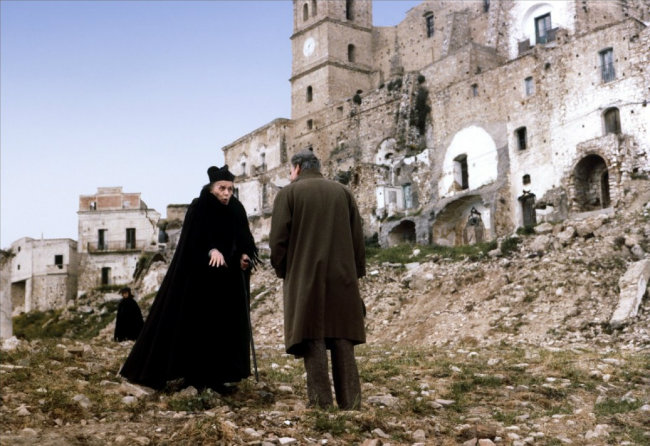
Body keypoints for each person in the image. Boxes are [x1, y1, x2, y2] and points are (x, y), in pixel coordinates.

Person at [120, 165, 259, 392]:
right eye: (222, 188)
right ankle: (197, 378)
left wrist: (245, 254)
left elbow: (244, 236)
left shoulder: (236, 208)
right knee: (200, 329)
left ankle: (221, 377)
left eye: (230, 189)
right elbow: (192, 240)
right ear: (212, 187)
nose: (226, 193)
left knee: (225, 329)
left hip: (229, 282)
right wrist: (211, 249)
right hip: (201, 282)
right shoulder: (199, 207)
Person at [269, 149, 366, 410]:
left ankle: (322, 405)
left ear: (297, 168)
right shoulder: (344, 192)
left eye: (291, 170)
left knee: (313, 338)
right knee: (343, 339)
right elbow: (358, 238)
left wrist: (285, 271)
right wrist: (355, 273)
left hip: (305, 278)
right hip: (343, 277)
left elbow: (278, 242)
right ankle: (352, 405)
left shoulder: (288, 194)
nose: (290, 175)